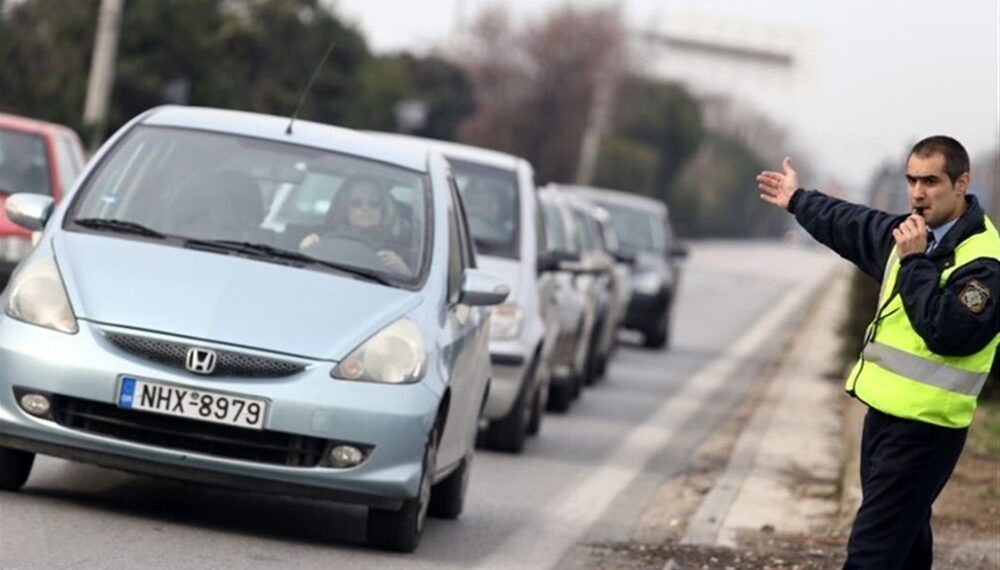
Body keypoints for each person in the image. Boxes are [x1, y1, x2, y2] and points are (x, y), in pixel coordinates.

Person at [757, 136, 999, 570]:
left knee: (871, 554)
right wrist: (797, 199)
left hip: (926, 431)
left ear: (961, 183)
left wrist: (914, 262)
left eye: (931, 181)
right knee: (905, 550)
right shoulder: (910, 236)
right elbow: (850, 223)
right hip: (883, 419)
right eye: (911, 180)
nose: (918, 193)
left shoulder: (984, 262)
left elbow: (948, 333)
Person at [300, 174, 411, 275]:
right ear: (345, 207)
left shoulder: (400, 244)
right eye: (356, 202)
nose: (365, 208)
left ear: (384, 208)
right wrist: (306, 246)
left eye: (374, 202)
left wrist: (402, 269)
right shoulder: (322, 235)